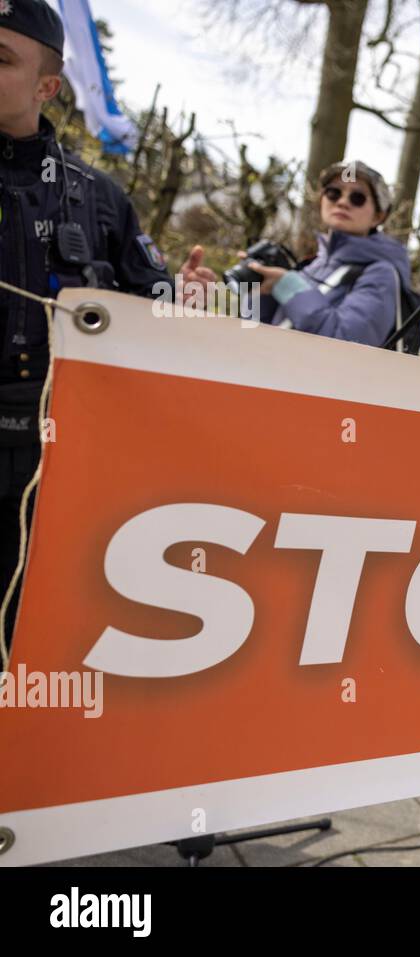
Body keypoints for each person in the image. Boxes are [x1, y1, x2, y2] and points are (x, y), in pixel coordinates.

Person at [0, 1, 208, 646]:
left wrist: (188, 306)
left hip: (60, 462)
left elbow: (155, 320)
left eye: (2, 58)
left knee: (37, 642)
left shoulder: (98, 196)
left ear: (47, 86)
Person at [193, 161, 413, 348]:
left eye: (357, 198)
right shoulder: (309, 267)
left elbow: (347, 345)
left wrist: (287, 286)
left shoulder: (382, 273)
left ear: (378, 217)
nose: (342, 202)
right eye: (333, 193)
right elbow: (254, 339)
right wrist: (261, 293)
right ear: (322, 201)